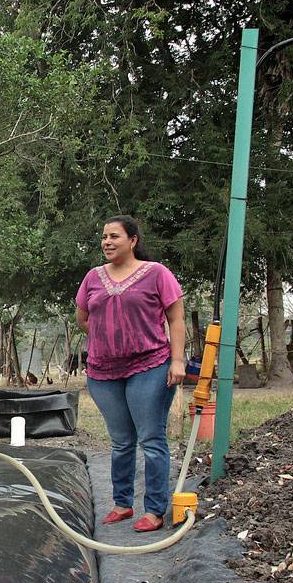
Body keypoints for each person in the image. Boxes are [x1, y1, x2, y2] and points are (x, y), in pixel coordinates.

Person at [75, 215, 186, 532]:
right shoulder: (93, 277)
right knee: (122, 441)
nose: (107, 242)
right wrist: (110, 336)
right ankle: (123, 504)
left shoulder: (157, 274)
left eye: (114, 236)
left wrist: (177, 361)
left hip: (149, 365)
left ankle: (154, 510)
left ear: (133, 240)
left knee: (151, 438)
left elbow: (175, 319)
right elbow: (83, 318)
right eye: (104, 237)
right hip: (103, 371)